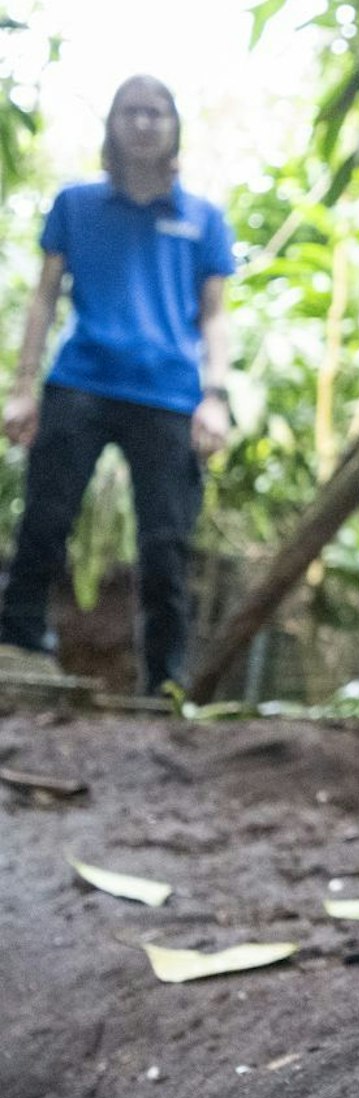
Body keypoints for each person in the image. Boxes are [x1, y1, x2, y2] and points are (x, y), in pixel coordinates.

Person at [0, 75, 235, 694]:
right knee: (45, 521)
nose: (143, 123)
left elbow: (214, 315)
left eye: (156, 112)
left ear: (173, 126)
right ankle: (19, 644)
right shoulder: (74, 206)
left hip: (168, 396)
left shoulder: (204, 218)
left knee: (166, 546)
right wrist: (23, 389)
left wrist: (214, 397)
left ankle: (165, 684)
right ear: (113, 124)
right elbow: (45, 298)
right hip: (80, 382)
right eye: (131, 112)